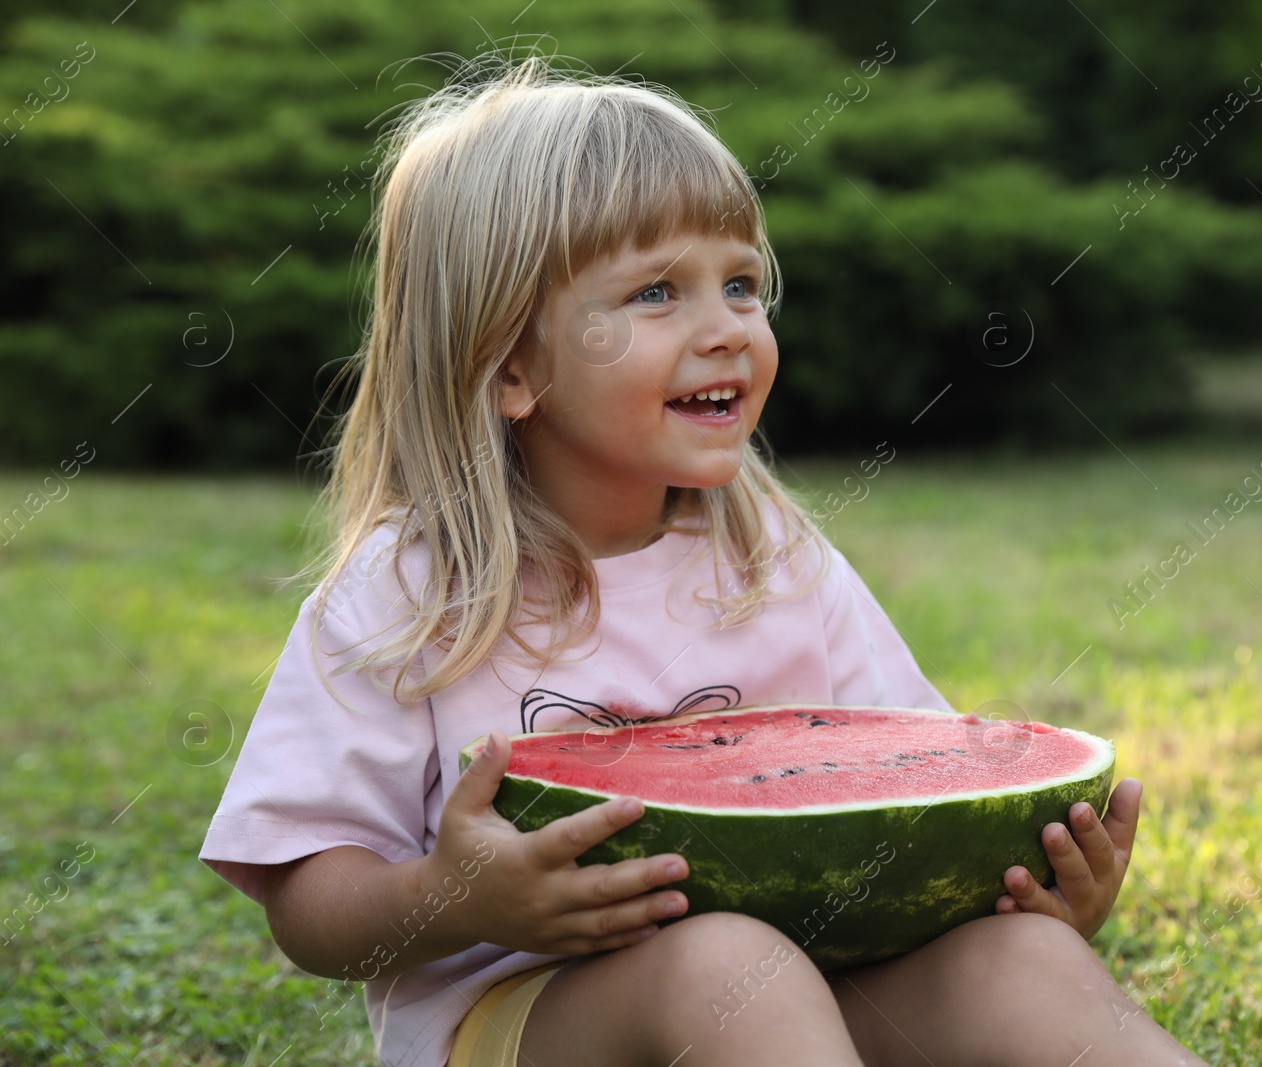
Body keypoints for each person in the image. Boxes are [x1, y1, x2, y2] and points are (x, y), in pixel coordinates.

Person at [198, 51, 1204, 1067]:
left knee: (1024, 961)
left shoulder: (778, 559)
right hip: (522, 1015)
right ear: (511, 366)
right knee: (722, 961)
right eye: (655, 293)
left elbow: (911, 791)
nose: (725, 328)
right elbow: (307, 898)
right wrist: (453, 894)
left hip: (807, 986)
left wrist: (1026, 888)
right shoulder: (408, 592)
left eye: (738, 283)